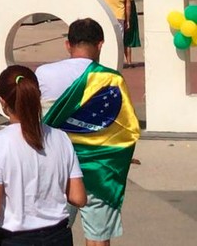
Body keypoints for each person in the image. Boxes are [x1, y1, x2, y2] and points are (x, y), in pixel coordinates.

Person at [36, 19, 140, 246]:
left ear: (68, 44)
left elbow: (36, 120)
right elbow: (124, 128)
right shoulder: (111, 79)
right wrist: (119, 159)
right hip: (97, 170)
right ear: (100, 44)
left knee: (51, 234)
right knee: (98, 237)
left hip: (57, 168)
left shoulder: (44, 74)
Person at [0, 65, 86, 246]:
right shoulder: (61, 138)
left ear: (2, 101)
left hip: (15, 239)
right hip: (59, 236)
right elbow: (78, 197)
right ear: (37, 96)